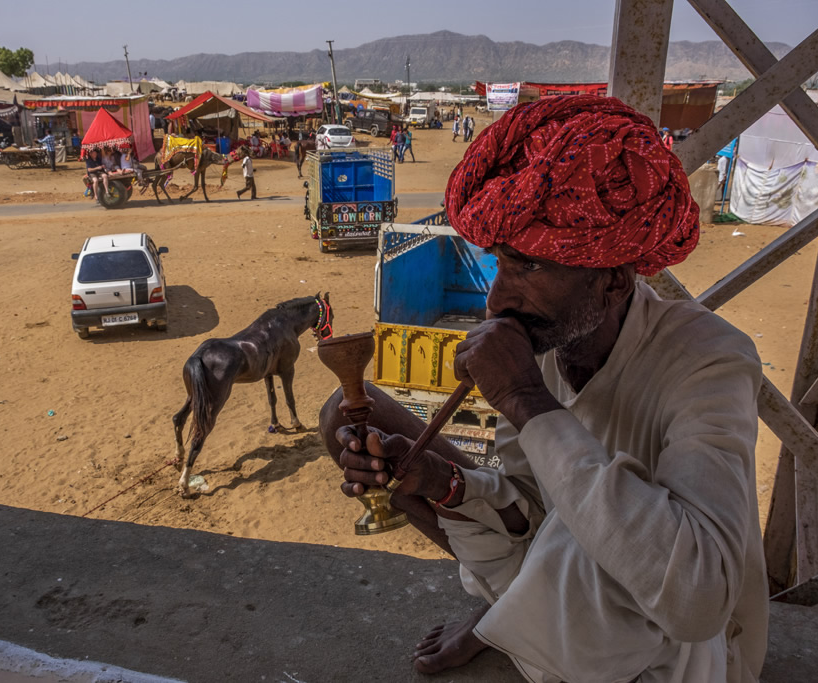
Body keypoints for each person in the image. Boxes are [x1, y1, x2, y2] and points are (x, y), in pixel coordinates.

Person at [322, 95, 767, 683]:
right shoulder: (547, 338)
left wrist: (527, 401)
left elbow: (697, 599)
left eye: (529, 268)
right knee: (346, 417)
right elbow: (530, 506)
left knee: (579, 528)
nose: (498, 300)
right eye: (501, 264)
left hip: (674, 648)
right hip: (563, 573)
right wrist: (440, 483)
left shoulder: (711, 360)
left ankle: (509, 621)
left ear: (612, 281)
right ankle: (512, 616)